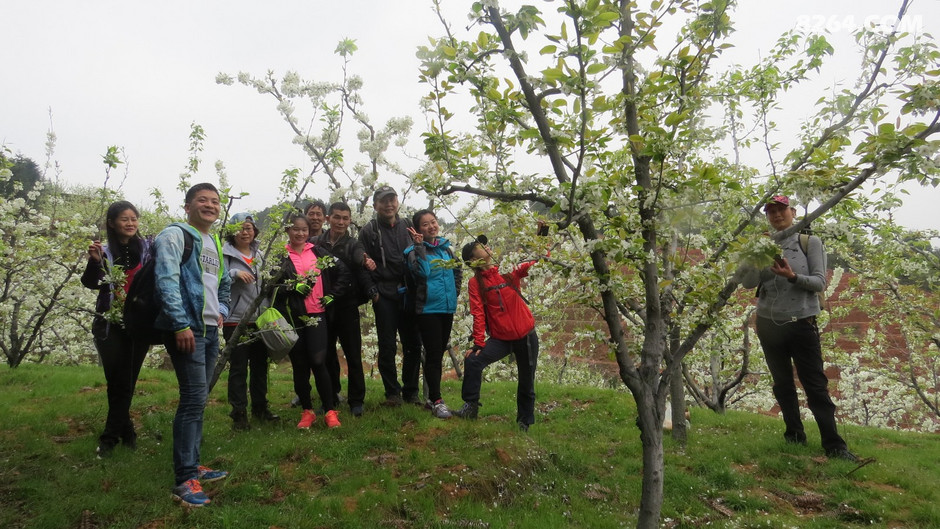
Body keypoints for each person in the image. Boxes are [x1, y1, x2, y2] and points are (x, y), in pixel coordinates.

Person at [741, 195, 859, 462]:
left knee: (815, 385)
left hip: (802, 323)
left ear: (793, 211)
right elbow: (748, 283)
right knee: (782, 384)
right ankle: (794, 435)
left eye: (781, 209)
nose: (776, 215)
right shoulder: (764, 245)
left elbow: (819, 283)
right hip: (769, 325)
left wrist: (791, 276)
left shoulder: (809, 242)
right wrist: (750, 257)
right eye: (770, 211)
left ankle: (834, 445)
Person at [154, 183, 232, 507]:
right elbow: (166, 281)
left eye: (215, 201)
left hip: (211, 329)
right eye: (202, 200)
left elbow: (223, 284)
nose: (210, 205)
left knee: (198, 400)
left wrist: (223, 311)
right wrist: (180, 323)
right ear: (187, 206)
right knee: (192, 399)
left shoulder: (213, 240)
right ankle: (185, 478)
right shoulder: (174, 236)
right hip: (190, 330)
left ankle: (194, 464)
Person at [453, 222, 546, 432]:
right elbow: (477, 313)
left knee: (526, 381)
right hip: (501, 339)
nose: (487, 247)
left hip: (525, 336)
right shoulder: (475, 283)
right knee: (473, 361)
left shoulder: (506, 270)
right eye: (480, 246)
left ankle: (524, 422)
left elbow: (534, 263)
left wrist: (541, 238)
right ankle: (471, 406)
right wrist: (478, 343)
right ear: (474, 260)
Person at [81, 200, 151, 458]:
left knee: (127, 382)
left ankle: (113, 437)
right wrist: (95, 262)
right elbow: (91, 283)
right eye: (125, 219)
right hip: (109, 324)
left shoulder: (146, 249)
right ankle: (123, 432)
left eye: (134, 218)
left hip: (138, 324)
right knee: (116, 381)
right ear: (112, 223)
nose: (131, 223)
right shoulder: (105, 251)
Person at [274, 214, 351, 430]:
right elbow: (269, 287)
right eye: (295, 229)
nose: (300, 233)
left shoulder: (317, 251)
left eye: (304, 230)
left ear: (309, 232)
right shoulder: (281, 256)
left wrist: (333, 295)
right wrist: (291, 288)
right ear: (288, 230)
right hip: (293, 316)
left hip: (317, 314)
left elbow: (343, 271)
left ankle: (329, 410)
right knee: (300, 365)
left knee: (318, 362)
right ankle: (307, 411)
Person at [359, 186, 423, 407]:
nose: (388, 205)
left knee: (413, 343)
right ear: (375, 205)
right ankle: (392, 393)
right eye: (383, 201)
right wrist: (373, 292)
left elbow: (421, 251)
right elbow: (362, 265)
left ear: (397, 201)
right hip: (384, 294)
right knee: (387, 345)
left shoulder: (408, 226)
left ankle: (411, 391)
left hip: (409, 292)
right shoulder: (369, 230)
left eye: (392, 200)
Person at [315, 201, 378, 417]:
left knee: (352, 354)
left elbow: (360, 255)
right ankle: (330, 396)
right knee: (327, 355)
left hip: (347, 306)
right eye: (336, 217)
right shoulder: (316, 242)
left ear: (350, 220)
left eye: (345, 218)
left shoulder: (352, 243)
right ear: (328, 219)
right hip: (322, 306)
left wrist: (366, 260)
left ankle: (356, 400)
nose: (341, 222)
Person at [222, 217, 279, 430]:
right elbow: (217, 279)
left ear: (254, 230)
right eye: (239, 229)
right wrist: (234, 273)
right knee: (238, 368)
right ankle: (238, 414)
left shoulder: (260, 255)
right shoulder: (225, 254)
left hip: (259, 319)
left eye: (248, 228)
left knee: (259, 366)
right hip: (235, 319)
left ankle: (260, 408)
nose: (244, 233)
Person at [404, 210, 462, 419]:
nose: (431, 227)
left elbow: (458, 271)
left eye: (433, 222)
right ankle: (436, 400)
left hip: (447, 307)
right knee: (434, 354)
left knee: (437, 353)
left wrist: (455, 293)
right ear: (417, 229)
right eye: (425, 224)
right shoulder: (413, 251)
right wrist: (419, 246)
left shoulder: (446, 249)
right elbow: (423, 273)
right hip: (427, 309)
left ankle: (432, 399)